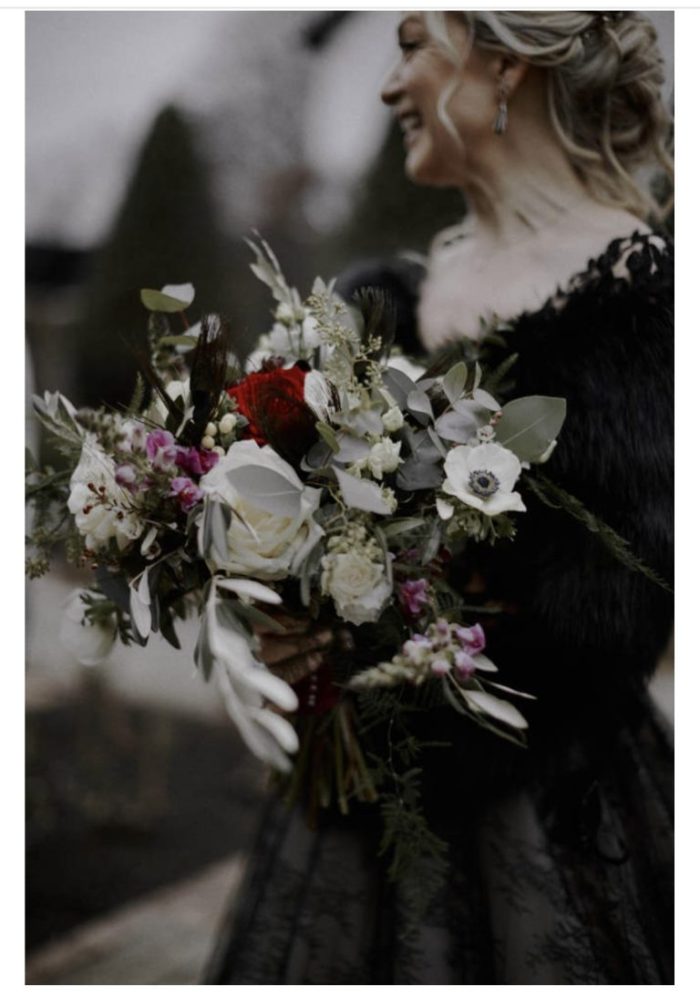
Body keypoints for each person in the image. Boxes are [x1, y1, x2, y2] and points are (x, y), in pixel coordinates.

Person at [205, 10, 673, 984]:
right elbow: (291, 519)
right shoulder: (378, 298)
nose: (388, 86)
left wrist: (387, 671)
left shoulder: (643, 291)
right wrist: (278, 617)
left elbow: (617, 605)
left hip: (543, 807)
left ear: (505, 62)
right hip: (344, 803)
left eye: (413, 43)